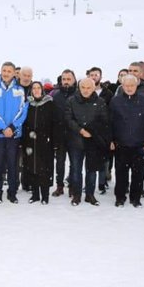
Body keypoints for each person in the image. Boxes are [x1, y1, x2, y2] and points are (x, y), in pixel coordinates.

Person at [109, 74, 144, 208]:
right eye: (126, 85)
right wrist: (111, 139)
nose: (129, 88)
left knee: (138, 173)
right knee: (120, 173)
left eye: (132, 85)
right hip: (121, 144)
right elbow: (110, 122)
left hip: (139, 144)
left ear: (137, 86)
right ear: (122, 86)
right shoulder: (115, 101)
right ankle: (120, 197)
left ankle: (135, 198)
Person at [64, 78, 110, 206]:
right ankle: (76, 195)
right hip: (75, 141)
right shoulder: (71, 101)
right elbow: (68, 119)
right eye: (83, 87)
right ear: (79, 88)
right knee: (76, 169)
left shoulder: (100, 102)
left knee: (91, 170)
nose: (85, 90)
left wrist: (91, 131)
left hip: (93, 141)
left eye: (88, 87)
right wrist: (80, 130)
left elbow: (104, 120)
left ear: (94, 88)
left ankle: (90, 195)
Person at [0, 62, 28, 204]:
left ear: (13, 73)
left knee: (13, 164)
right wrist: (3, 127)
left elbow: (23, 111)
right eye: (4, 70)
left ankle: (12, 192)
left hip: (14, 135)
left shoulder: (20, 90)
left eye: (9, 71)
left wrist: (11, 127)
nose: (6, 73)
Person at [22, 82, 56, 204]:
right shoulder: (28, 104)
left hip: (44, 141)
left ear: (42, 90)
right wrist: (25, 139)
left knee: (44, 169)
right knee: (32, 168)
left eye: (38, 88)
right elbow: (24, 123)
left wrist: (52, 140)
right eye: (34, 88)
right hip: (30, 142)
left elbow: (54, 123)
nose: (36, 90)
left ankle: (45, 196)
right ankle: (35, 194)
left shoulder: (49, 104)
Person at [51, 69, 77, 197]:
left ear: (74, 80)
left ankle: (72, 186)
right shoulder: (55, 95)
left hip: (74, 135)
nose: (66, 82)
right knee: (59, 163)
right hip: (59, 135)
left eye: (69, 79)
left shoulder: (78, 94)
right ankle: (59, 186)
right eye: (64, 79)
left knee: (74, 163)